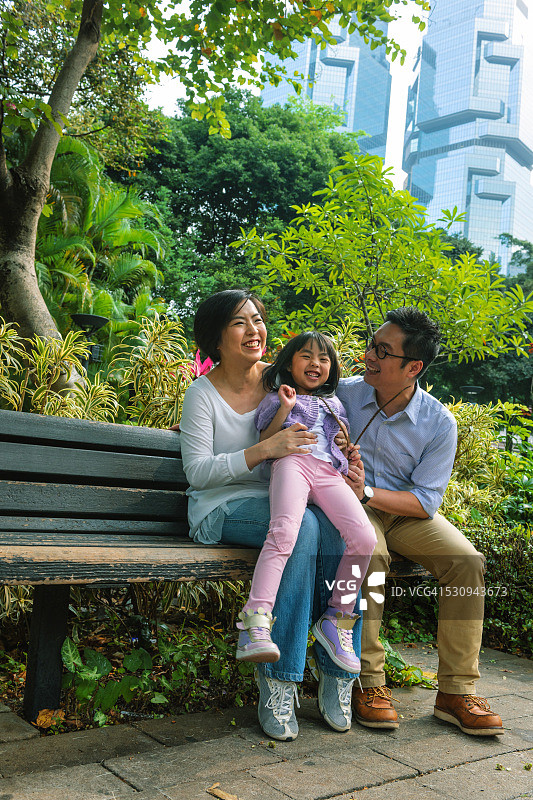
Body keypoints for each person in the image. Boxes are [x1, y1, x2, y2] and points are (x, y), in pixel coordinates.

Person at [179, 290, 365, 741]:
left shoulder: (283, 379)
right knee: (300, 530)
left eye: (258, 320)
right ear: (215, 338)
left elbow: (324, 426)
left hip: (286, 495)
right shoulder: (202, 395)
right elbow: (198, 473)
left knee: (344, 532)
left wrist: (347, 466)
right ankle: (279, 680)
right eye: (240, 323)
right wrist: (265, 449)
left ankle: (337, 669)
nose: (254, 330)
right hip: (220, 507)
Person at [335, 306, 503, 736]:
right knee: (370, 554)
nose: (368, 354)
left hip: (403, 510)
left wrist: (368, 491)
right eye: (372, 344)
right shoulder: (345, 394)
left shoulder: (438, 422)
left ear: (413, 367)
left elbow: (426, 501)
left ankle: (455, 691)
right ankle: (368, 681)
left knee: (466, 561)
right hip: (351, 508)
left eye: (382, 351)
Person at [235, 331, 376, 672]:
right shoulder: (278, 397)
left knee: (365, 538)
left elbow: (337, 448)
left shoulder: (336, 404)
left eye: (324, 359)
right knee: (284, 533)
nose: (316, 363)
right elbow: (266, 441)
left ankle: (336, 618)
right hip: (292, 464)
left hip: (327, 473)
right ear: (289, 362)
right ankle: (255, 622)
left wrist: (346, 450)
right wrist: (284, 407)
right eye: (307, 356)